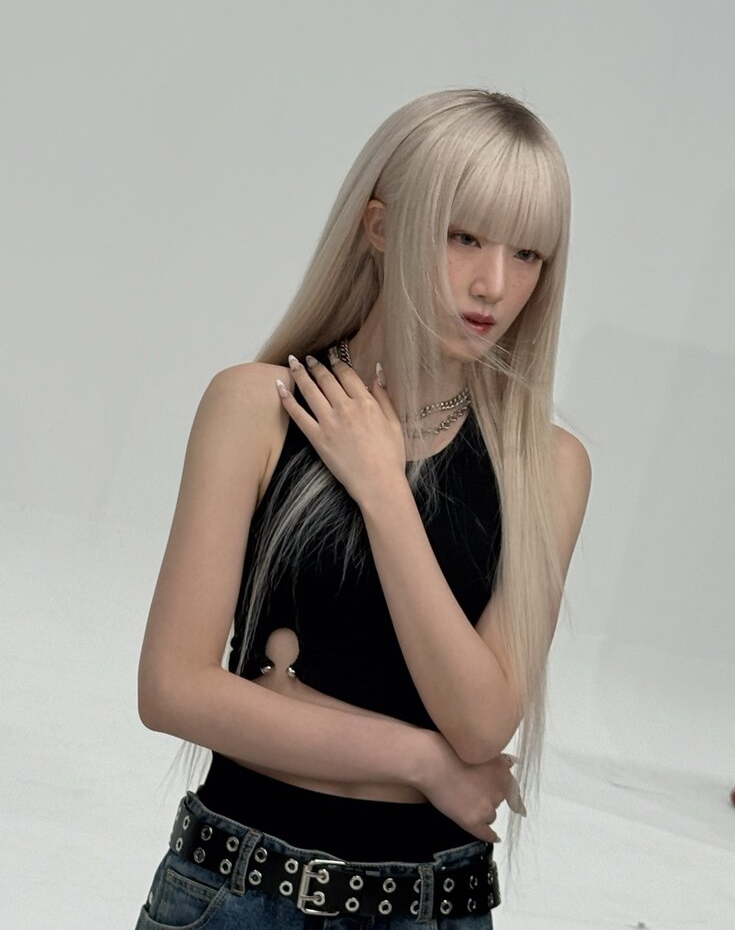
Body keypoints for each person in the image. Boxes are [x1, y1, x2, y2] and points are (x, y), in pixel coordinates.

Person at [134, 87, 591, 929]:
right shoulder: (256, 407)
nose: (493, 284)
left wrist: (383, 489)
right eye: (462, 237)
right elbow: (172, 689)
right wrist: (422, 760)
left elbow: (482, 723)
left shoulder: (547, 467)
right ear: (380, 227)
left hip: (432, 905)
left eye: (528, 254)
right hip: (238, 891)